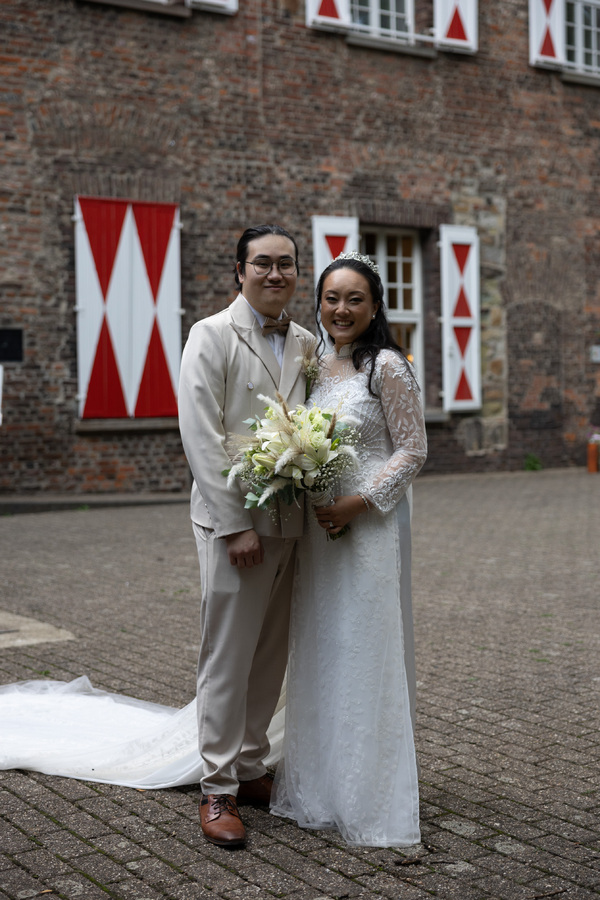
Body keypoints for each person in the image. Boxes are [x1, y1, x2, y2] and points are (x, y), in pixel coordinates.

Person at [270, 251, 427, 847]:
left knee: (364, 647)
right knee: (322, 644)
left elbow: (412, 450)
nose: (341, 309)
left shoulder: (387, 365)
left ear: (375, 305)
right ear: (319, 303)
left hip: (367, 527)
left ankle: (367, 792)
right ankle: (319, 782)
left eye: (354, 299)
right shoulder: (315, 363)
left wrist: (358, 504)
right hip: (319, 530)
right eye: (331, 298)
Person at [177, 224, 315, 848]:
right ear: (240, 271)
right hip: (233, 524)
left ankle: (252, 764)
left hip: (290, 522)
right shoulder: (210, 335)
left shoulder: (306, 341)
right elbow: (201, 436)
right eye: (263, 263)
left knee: (270, 653)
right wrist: (234, 525)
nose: (275, 273)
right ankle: (217, 787)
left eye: (286, 263)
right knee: (228, 655)